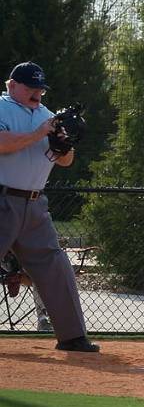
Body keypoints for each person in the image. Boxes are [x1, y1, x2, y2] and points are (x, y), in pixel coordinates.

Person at [0, 62, 98, 352]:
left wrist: (63, 146)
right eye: (31, 87)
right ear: (11, 86)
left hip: (34, 204)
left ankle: (72, 336)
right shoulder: (2, 108)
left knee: (56, 267)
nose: (37, 93)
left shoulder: (47, 116)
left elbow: (65, 162)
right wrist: (40, 133)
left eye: (40, 88)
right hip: (2, 199)